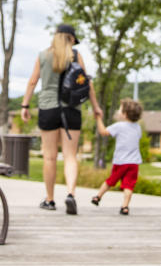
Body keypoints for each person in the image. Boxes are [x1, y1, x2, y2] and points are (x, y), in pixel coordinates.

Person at [20, 23, 102, 214]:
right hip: (71, 109)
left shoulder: (43, 55)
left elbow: (33, 81)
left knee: (49, 157)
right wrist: (96, 107)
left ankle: (50, 200)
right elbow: (86, 83)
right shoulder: (75, 55)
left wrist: (25, 105)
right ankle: (71, 194)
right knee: (70, 156)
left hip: (48, 108)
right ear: (71, 39)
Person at [91, 98, 144, 215]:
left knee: (110, 181)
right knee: (129, 186)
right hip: (134, 163)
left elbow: (103, 132)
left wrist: (98, 119)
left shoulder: (119, 126)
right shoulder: (138, 127)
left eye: (120, 110)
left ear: (125, 114)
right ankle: (125, 207)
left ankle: (98, 197)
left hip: (121, 162)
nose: (118, 111)